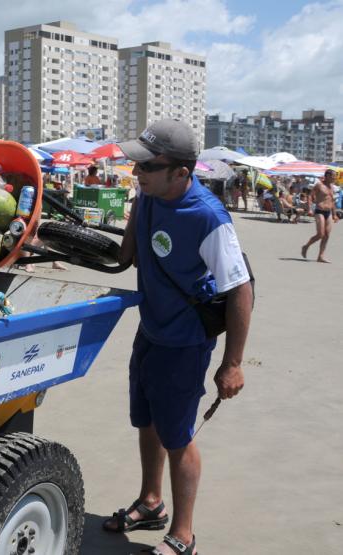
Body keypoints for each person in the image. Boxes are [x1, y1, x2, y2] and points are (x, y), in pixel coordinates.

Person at [105, 120, 253, 555]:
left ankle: (184, 535)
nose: (138, 173)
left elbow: (240, 290)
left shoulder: (208, 217)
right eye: (137, 164)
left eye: (148, 166)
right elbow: (126, 256)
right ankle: (152, 502)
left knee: (177, 435)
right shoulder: (148, 197)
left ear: (181, 174)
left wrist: (233, 363)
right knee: (146, 421)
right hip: (150, 330)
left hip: (185, 342)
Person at [301, 169, 339, 263]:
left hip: (328, 212)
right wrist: (309, 209)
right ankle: (306, 246)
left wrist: (334, 214)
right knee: (320, 234)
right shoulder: (319, 185)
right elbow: (310, 196)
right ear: (327, 176)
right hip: (319, 211)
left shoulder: (332, 187)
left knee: (326, 235)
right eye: (333, 176)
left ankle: (320, 256)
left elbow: (332, 201)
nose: (335, 177)